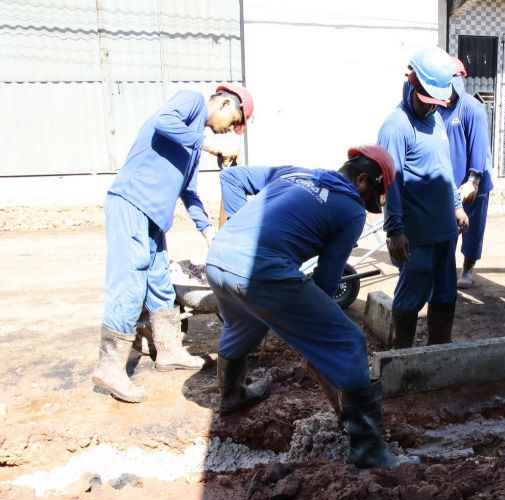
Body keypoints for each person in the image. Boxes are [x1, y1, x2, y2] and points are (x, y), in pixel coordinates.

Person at [205, 145, 416, 468]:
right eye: (373, 195)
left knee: (244, 324)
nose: (369, 205)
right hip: (262, 269)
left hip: (220, 257)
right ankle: (370, 451)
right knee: (348, 341)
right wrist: (317, 339)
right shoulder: (351, 208)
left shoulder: (293, 173)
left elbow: (232, 177)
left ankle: (232, 394)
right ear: (362, 181)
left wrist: (238, 226)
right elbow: (328, 280)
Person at [92, 84, 254, 403]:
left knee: (159, 284)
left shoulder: (191, 148)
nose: (231, 130)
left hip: (153, 216)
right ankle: (109, 368)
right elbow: (163, 122)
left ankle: (168, 352)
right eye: (234, 121)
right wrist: (210, 145)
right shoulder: (191, 101)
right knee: (129, 283)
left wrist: (208, 231)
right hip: (132, 202)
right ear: (224, 103)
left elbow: (189, 193)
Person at [379, 46, 469, 349]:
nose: (431, 107)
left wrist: (456, 205)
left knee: (445, 295)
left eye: (436, 102)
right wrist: (394, 230)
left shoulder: (435, 119)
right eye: (426, 100)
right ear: (411, 83)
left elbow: (443, 169)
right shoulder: (396, 126)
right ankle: (401, 359)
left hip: (445, 231)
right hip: (417, 236)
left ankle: (439, 355)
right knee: (410, 297)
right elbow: (392, 182)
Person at [438, 57, 494, 290]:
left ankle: (468, 268)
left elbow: (479, 147)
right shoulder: (437, 108)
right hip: (448, 184)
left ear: (458, 79)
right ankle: (445, 269)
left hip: (474, 182)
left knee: (472, 230)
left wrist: (473, 180)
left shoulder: (472, 108)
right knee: (447, 230)